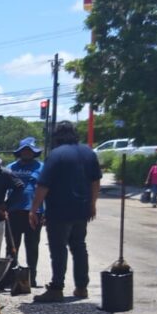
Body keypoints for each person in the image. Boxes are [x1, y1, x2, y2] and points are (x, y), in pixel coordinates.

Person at [30, 121, 102, 302]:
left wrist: (34, 209)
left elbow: (43, 185)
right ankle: (81, 287)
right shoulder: (88, 152)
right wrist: (93, 204)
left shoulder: (56, 155)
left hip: (59, 212)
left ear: (57, 137)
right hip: (82, 210)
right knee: (79, 246)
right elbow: (95, 181)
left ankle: (56, 287)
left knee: (58, 249)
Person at [5, 137, 44, 287]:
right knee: (12, 247)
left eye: (29, 150)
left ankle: (31, 278)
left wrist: (45, 212)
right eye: (24, 150)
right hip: (14, 211)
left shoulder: (41, 167)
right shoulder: (11, 167)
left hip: (35, 212)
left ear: (34, 152)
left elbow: (46, 189)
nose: (26, 153)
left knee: (32, 246)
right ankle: (10, 278)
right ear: (19, 152)